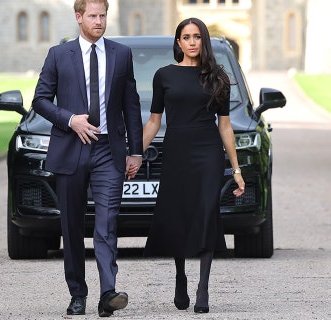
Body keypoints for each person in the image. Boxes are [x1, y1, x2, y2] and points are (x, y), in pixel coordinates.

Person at [32, 0, 143, 317]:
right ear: (78, 17)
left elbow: (130, 105)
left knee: (107, 222)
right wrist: (70, 120)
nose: (99, 21)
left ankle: (108, 292)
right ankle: (77, 293)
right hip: (71, 147)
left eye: (103, 15)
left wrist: (135, 150)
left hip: (109, 150)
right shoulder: (58, 55)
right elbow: (40, 99)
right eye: (93, 16)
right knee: (72, 225)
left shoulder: (121, 54)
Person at [141, 17, 245, 314]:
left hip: (208, 153)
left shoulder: (218, 78)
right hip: (176, 152)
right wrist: (134, 154)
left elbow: (225, 127)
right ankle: (180, 276)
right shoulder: (164, 76)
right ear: (178, 42)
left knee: (206, 212)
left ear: (203, 41)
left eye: (197, 37)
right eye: (186, 37)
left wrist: (236, 170)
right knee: (179, 214)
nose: (191, 42)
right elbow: (153, 121)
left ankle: (203, 287)